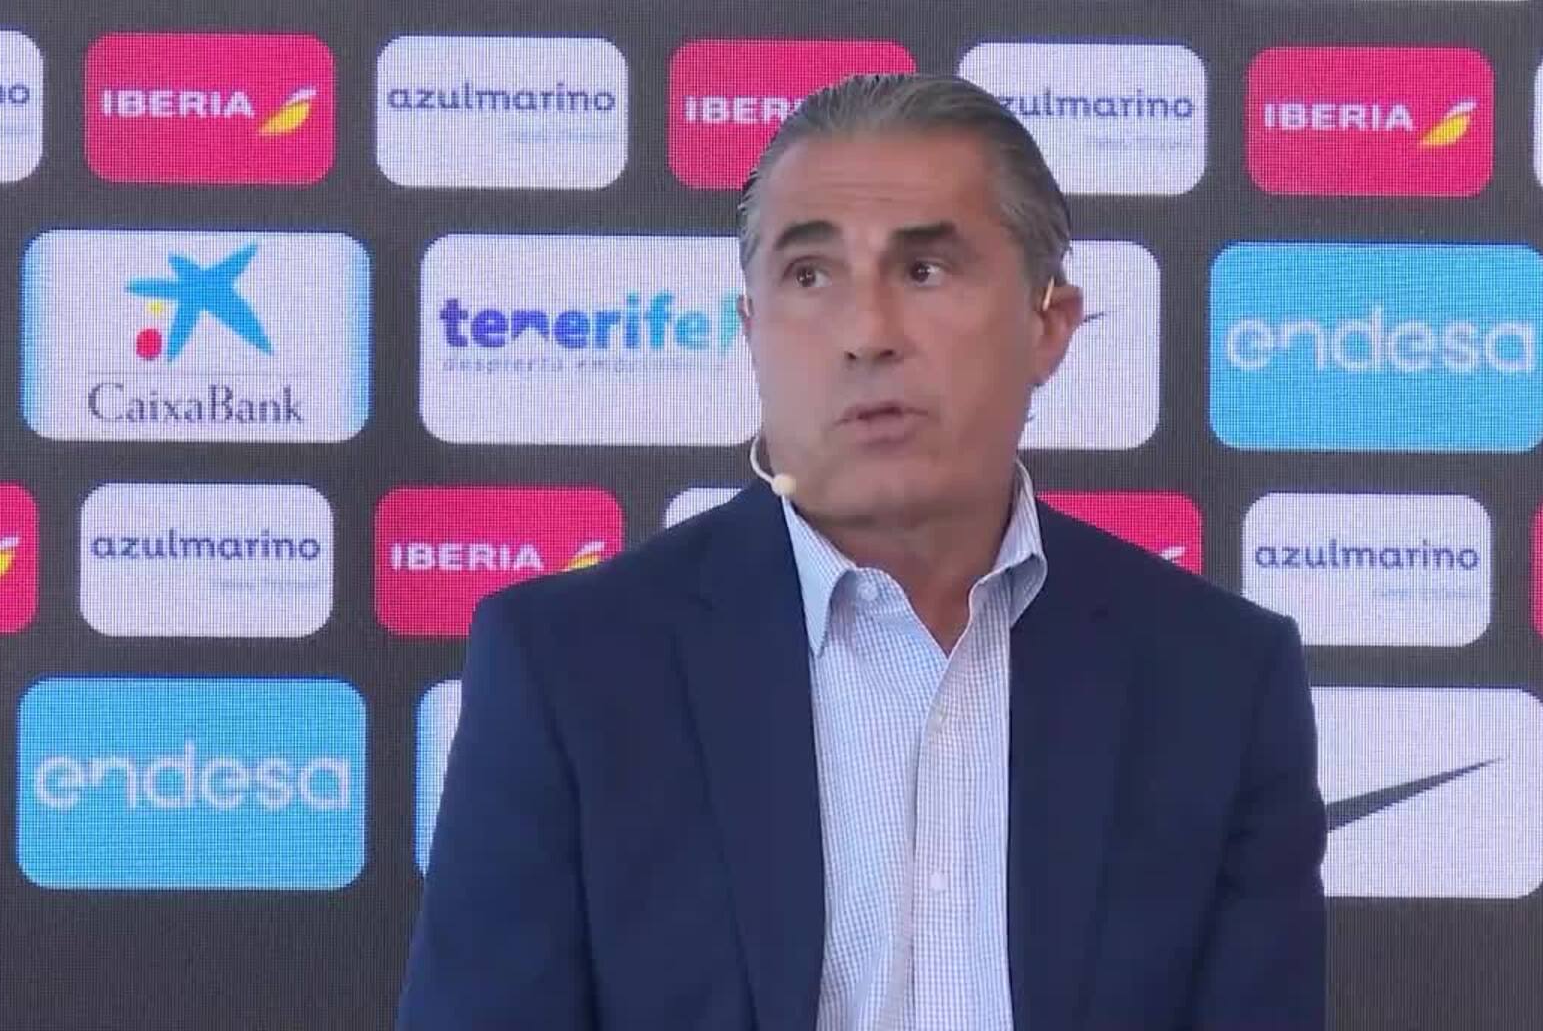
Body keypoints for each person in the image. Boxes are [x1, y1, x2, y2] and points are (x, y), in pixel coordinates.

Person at [397, 71, 1326, 1031]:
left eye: (924, 271)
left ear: (1048, 325)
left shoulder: (1218, 676)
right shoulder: (571, 666)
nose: (867, 333)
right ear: (753, 331)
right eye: (810, 276)